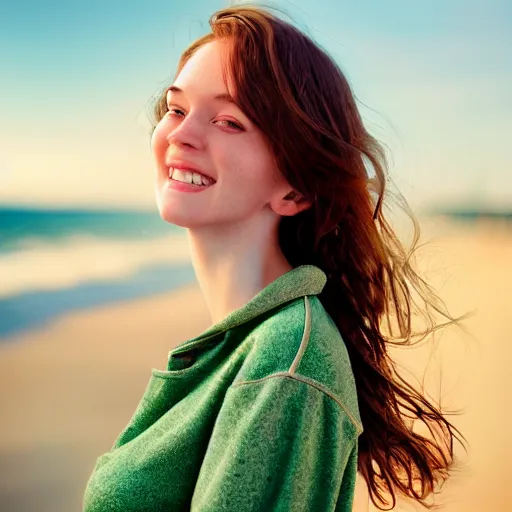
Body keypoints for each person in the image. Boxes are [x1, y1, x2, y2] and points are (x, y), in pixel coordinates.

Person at [83, 4, 471, 511]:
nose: (180, 134)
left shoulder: (285, 364)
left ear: (295, 190)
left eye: (229, 121)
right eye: (176, 109)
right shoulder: (251, 345)